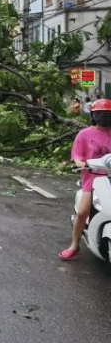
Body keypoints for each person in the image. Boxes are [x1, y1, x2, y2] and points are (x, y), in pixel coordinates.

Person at [59, 98, 111, 260]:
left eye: (107, 114)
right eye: (100, 114)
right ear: (93, 115)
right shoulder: (85, 134)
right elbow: (76, 155)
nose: (103, 117)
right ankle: (74, 245)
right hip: (93, 179)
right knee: (82, 212)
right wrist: (81, 163)